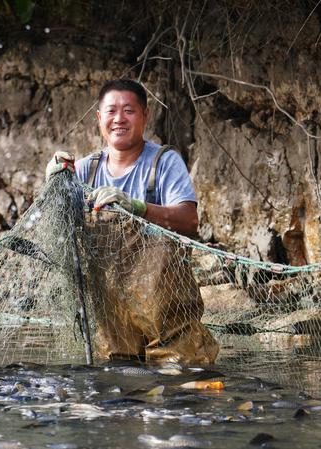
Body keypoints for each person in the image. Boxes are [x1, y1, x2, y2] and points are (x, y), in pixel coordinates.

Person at [45, 78, 219, 365]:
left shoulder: (164, 162)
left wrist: (137, 206)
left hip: (170, 331)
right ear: (99, 118)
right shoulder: (85, 170)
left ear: (145, 115)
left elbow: (189, 221)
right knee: (116, 391)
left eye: (129, 111)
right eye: (111, 111)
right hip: (113, 332)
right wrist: (52, 183)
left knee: (184, 389)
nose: (119, 119)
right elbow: (57, 229)